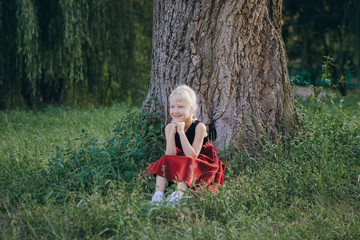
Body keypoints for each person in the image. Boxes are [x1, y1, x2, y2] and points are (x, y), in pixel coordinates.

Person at [146, 85, 225, 207]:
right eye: (172, 107)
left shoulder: (199, 127)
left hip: (200, 161)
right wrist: (172, 134)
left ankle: (178, 195)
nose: (175, 111)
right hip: (182, 157)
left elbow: (192, 155)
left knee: (188, 161)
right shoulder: (169, 127)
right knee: (163, 159)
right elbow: (170, 156)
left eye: (181, 107)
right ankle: (158, 195)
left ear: (193, 108)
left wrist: (181, 133)